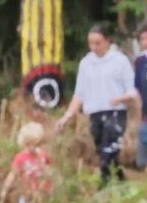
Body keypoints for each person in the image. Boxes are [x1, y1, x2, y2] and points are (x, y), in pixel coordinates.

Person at [57, 24, 142, 182]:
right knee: (101, 149)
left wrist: (121, 99)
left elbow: (131, 89)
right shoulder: (86, 63)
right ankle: (119, 181)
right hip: (95, 113)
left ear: (108, 41)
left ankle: (105, 184)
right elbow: (79, 94)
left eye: (98, 43)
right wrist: (67, 116)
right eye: (91, 43)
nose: (94, 47)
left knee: (109, 149)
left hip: (116, 112)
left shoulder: (120, 61)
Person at [0, 119, 52, 203]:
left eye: (36, 144)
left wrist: (52, 185)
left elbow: (48, 170)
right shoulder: (20, 158)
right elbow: (13, 174)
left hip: (43, 192)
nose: (32, 147)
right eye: (29, 144)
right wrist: (5, 189)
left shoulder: (43, 155)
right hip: (28, 193)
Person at [129, 25, 147, 170]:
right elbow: (137, 87)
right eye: (143, 39)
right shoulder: (140, 60)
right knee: (146, 140)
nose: (146, 42)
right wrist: (139, 109)